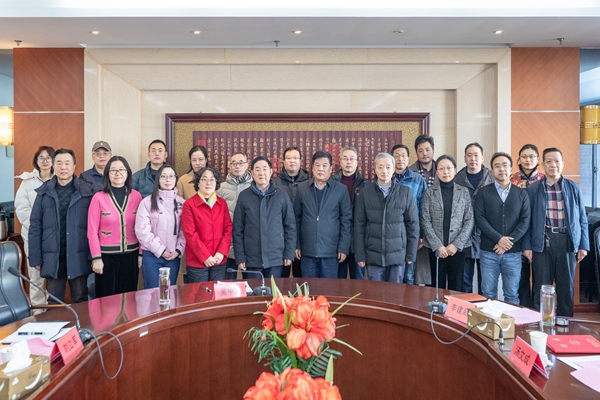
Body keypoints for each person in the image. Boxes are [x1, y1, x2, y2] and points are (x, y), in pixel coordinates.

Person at [523, 148, 589, 317]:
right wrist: (527, 246)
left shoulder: (574, 188)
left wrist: (583, 245)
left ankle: (566, 324)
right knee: (541, 287)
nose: (553, 165)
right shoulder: (533, 189)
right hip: (542, 242)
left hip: (567, 241)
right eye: (549, 161)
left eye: (557, 161)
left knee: (566, 288)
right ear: (543, 164)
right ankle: (539, 323)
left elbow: (582, 218)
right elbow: (527, 221)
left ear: (562, 164)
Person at [28, 148, 94, 304]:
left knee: (81, 300)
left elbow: (94, 227)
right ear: (53, 165)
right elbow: (35, 226)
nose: (63, 167)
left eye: (67, 163)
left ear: (74, 166)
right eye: (59, 163)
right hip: (53, 257)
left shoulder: (86, 192)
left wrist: (94, 256)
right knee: (54, 302)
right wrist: (35, 257)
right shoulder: (44, 192)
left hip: (79, 255)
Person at [474, 152, 530, 305]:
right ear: (492, 170)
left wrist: (508, 242)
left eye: (505, 165)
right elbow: (480, 219)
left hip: (513, 253)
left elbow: (525, 221)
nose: (501, 169)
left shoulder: (522, 194)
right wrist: (499, 239)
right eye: (497, 166)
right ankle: (488, 322)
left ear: (511, 169)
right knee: (488, 294)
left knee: (512, 295)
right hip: (488, 252)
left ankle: (510, 322)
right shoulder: (483, 193)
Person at [354, 152, 419, 282]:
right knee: (375, 292)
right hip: (373, 255)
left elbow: (413, 225)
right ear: (375, 169)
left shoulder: (405, 192)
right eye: (380, 167)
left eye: (388, 167)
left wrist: (411, 254)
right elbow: (358, 226)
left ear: (394, 169)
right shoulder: (365, 193)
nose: (384, 171)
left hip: (398, 256)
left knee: (395, 292)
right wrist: (360, 255)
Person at [88, 156, 143, 297]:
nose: (118, 173)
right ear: (107, 174)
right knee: (106, 300)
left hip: (131, 255)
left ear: (128, 173)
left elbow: (142, 227)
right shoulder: (98, 197)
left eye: (121, 170)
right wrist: (96, 258)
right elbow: (92, 231)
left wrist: (140, 253)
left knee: (129, 299)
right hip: (106, 257)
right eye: (113, 170)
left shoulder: (136, 196)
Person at [232, 156, 296, 279]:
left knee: (275, 290)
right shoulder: (244, 196)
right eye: (257, 169)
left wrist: (289, 253)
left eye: (265, 169)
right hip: (251, 259)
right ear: (252, 173)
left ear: (271, 171)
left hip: (276, 258)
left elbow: (290, 226)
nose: (261, 173)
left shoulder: (281, 194)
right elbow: (238, 230)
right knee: (254, 291)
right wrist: (240, 257)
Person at [294, 151, 352, 278]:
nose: (321, 169)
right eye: (317, 165)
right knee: (308, 288)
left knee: (328, 288)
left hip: (331, 252)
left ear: (331, 169)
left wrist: (343, 247)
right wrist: (296, 244)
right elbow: (296, 219)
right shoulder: (302, 189)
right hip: (307, 251)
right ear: (312, 168)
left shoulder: (341, 190)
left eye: (325, 165)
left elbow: (346, 221)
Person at [421, 155, 474, 291]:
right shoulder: (430, 192)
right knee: (435, 287)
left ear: (455, 170)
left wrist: (456, 245)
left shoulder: (464, 192)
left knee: (456, 287)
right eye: (442, 168)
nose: (446, 172)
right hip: (435, 248)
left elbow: (469, 220)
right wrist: (437, 245)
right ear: (437, 171)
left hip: (457, 249)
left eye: (449, 168)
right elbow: (425, 219)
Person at [15, 145, 54, 308]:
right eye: (41, 158)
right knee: (36, 277)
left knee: (53, 276)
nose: (45, 161)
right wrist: (39, 226)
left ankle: (52, 311)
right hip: (33, 236)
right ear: (36, 161)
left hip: (53, 236)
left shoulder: (60, 180)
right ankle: (38, 312)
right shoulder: (27, 182)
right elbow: (21, 208)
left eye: (48, 157)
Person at [135, 164, 186, 289]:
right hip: (152, 255)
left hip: (173, 256)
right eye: (163, 176)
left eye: (171, 176)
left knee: (169, 293)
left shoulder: (182, 203)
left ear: (175, 179)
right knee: (152, 293)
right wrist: (161, 250)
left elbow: (184, 231)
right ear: (158, 179)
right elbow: (142, 231)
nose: (168, 180)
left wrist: (178, 250)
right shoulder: (147, 202)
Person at [454, 142, 494, 294]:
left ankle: (484, 309)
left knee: (486, 284)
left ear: (482, 158)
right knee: (464, 283)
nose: (473, 159)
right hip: (463, 237)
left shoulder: (492, 178)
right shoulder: (457, 179)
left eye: (476, 155)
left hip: (486, 236)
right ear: (464, 158)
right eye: (469, 155)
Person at [182, 166, 232, 282]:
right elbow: (190, 234)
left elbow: (228, 228)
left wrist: (221, 252)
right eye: (204, 179)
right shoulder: (189, 205)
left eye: (212, 179)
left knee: (217, 292)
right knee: (200, 292)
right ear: (198, 183)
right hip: (197, 261)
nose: (208, 183)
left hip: (218, 259)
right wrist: (204, 256)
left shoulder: (222, 203)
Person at [510, 144, 545, 308]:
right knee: (521, 278)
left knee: (540, 278)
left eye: (532, 156)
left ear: (538, 160)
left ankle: (538, 313)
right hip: (518, 234)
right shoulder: (512, 180)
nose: (528, 160)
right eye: (524, 156)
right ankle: (523, 310)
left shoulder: (544, 179)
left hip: (539, 234)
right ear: (519, 159)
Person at [391, 144, 427, 285]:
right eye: (396, 156)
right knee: (393, 276)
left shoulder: (418, 180)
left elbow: (423, 209)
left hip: (411, 233)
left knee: (409, 275)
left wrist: (421, 235)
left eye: (403, 156)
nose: (400, 159)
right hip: (392, 235)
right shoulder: (386, 178)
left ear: (408, 158)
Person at [332, 146, 369, 280]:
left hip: (358, 240)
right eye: (345, 158)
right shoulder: (331, 183)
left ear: (357, 162)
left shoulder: (365, 184)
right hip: (336, 239)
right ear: (340, 162)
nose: (348, 162)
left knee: (357, 281)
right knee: (337, 281)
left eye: (352, 159)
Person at [274, 146, 309, 278]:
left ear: (301, 161)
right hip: (280, 241)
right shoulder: (274, 183)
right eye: (289, 158)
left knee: (301, 281)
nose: (292, 161)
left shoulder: (309, 182)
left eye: (295, 158)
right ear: (283, 161)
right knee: (280, 281)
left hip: (303, 240)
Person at [217, 152, 252, 279]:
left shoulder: (254, 186)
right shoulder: (221, 188)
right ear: (229, 166)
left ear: (247, 165)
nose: (237, 166)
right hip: (227, 242)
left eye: (241, 163)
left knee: (250, 282)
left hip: (248, 243)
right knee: (227, 283)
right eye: (234, 163)